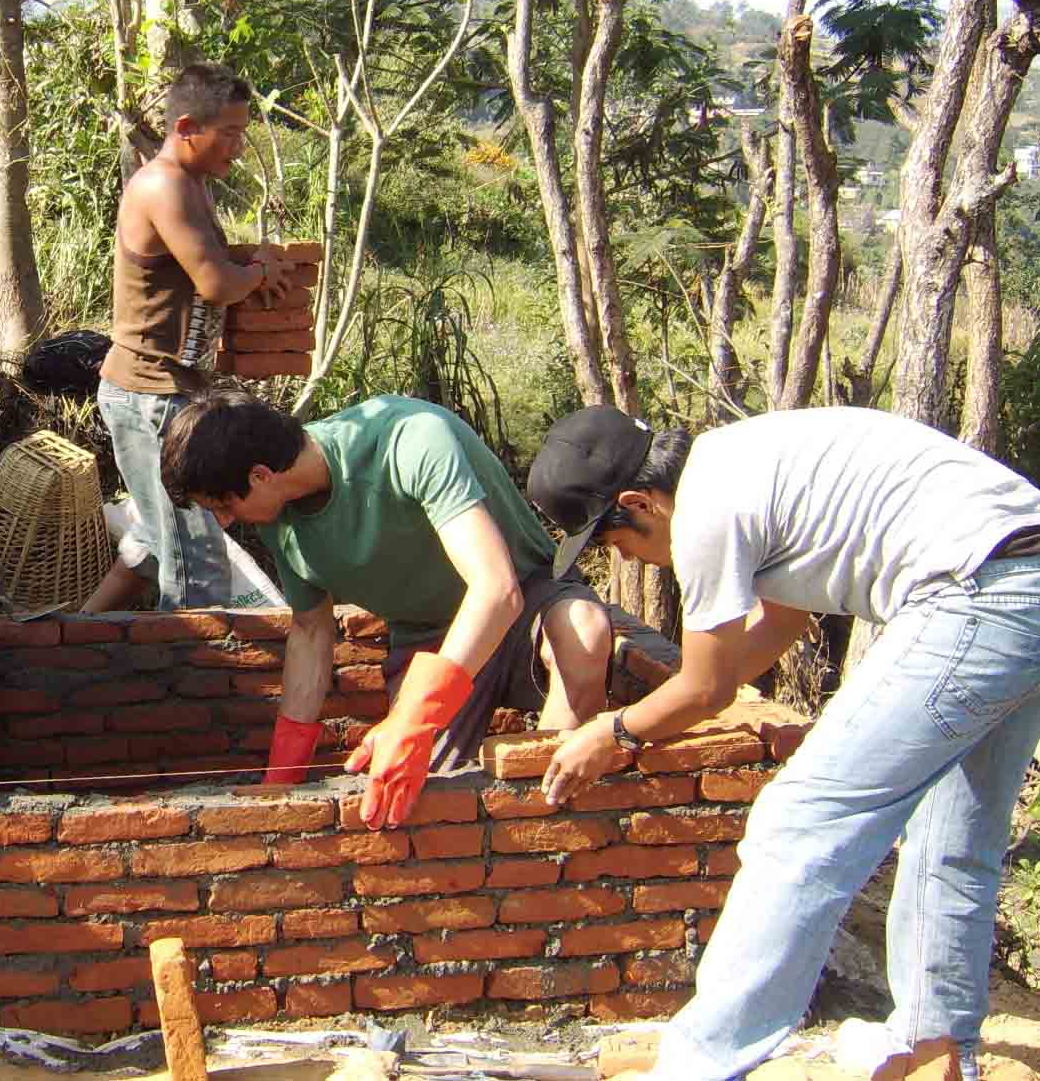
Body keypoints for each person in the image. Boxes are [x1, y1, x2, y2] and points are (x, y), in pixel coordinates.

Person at [529, 405, 1040, 1081]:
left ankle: (700, 1066)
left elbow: (706, 689)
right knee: (952, 834)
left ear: (637, 501)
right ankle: (935, 1049)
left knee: (798, 822)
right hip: (1018, 583)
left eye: (612, 539)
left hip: (972, 593)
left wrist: (614, 731)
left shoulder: (706, 510)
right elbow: (778, 624)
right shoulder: (739, 461)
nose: (620, 556)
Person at [158, 390, 613, 822]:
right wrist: (281, 779)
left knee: (584, 631)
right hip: (430, 645)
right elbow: (312, 632)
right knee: (405, 799)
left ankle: (543, 817)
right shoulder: (279, 520)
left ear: (260, 475)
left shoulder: (409, 437)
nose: (222, 521)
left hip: (527, 606)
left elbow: (497, 590)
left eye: (222, 504)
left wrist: (414, 718)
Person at [87, 63, 293, 613]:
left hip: (165, 393)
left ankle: (79, 636)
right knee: (196, 562)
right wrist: (257, 275)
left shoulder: (192, 184)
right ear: (185, 127)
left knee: (168, 542)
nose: (239, 147)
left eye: (243, 132)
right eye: (228, 133)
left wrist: (250, 258)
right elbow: (214, 281)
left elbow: (204, 262)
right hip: (150, 397)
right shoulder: (164, 185)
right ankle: (183, 684)